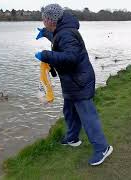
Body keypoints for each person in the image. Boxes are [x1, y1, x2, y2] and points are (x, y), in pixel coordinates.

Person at [34, 4, 113, 166]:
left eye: (44, 19)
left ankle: (102, 148)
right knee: (70, 111)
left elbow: (71, 57)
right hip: (72, 81)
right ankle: (72, 138)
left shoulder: (67, 33)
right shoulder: (62, 30)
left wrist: (46, 55)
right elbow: (59, 39)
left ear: (50, 20)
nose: (42, 21)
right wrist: (47, 34)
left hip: (79, 82)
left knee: (87, 116)